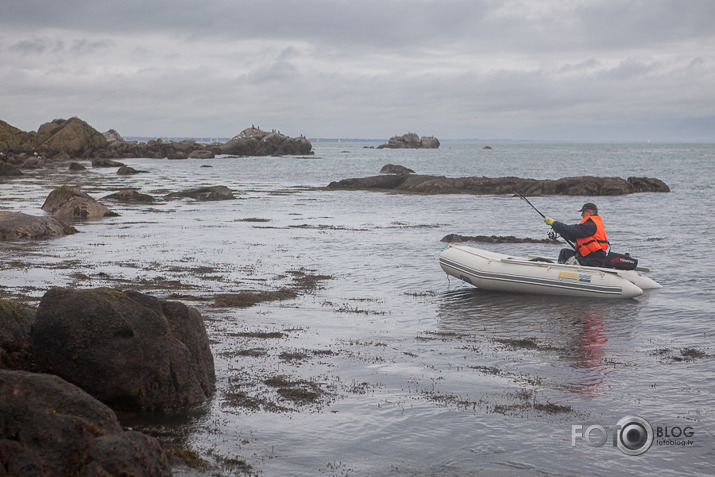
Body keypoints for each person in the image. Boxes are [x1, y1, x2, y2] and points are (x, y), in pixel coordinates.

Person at [543, 203, 609, 267]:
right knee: (565, 252)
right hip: (589, 256)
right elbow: (574, 237)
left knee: (567, 255)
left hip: (593, 259)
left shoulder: (590, 225)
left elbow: (571, 229)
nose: (581, 215)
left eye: (583, 212)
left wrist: (554, 223)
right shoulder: (593, 224)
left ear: (590, 212)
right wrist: (560, 230)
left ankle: (563, 271)